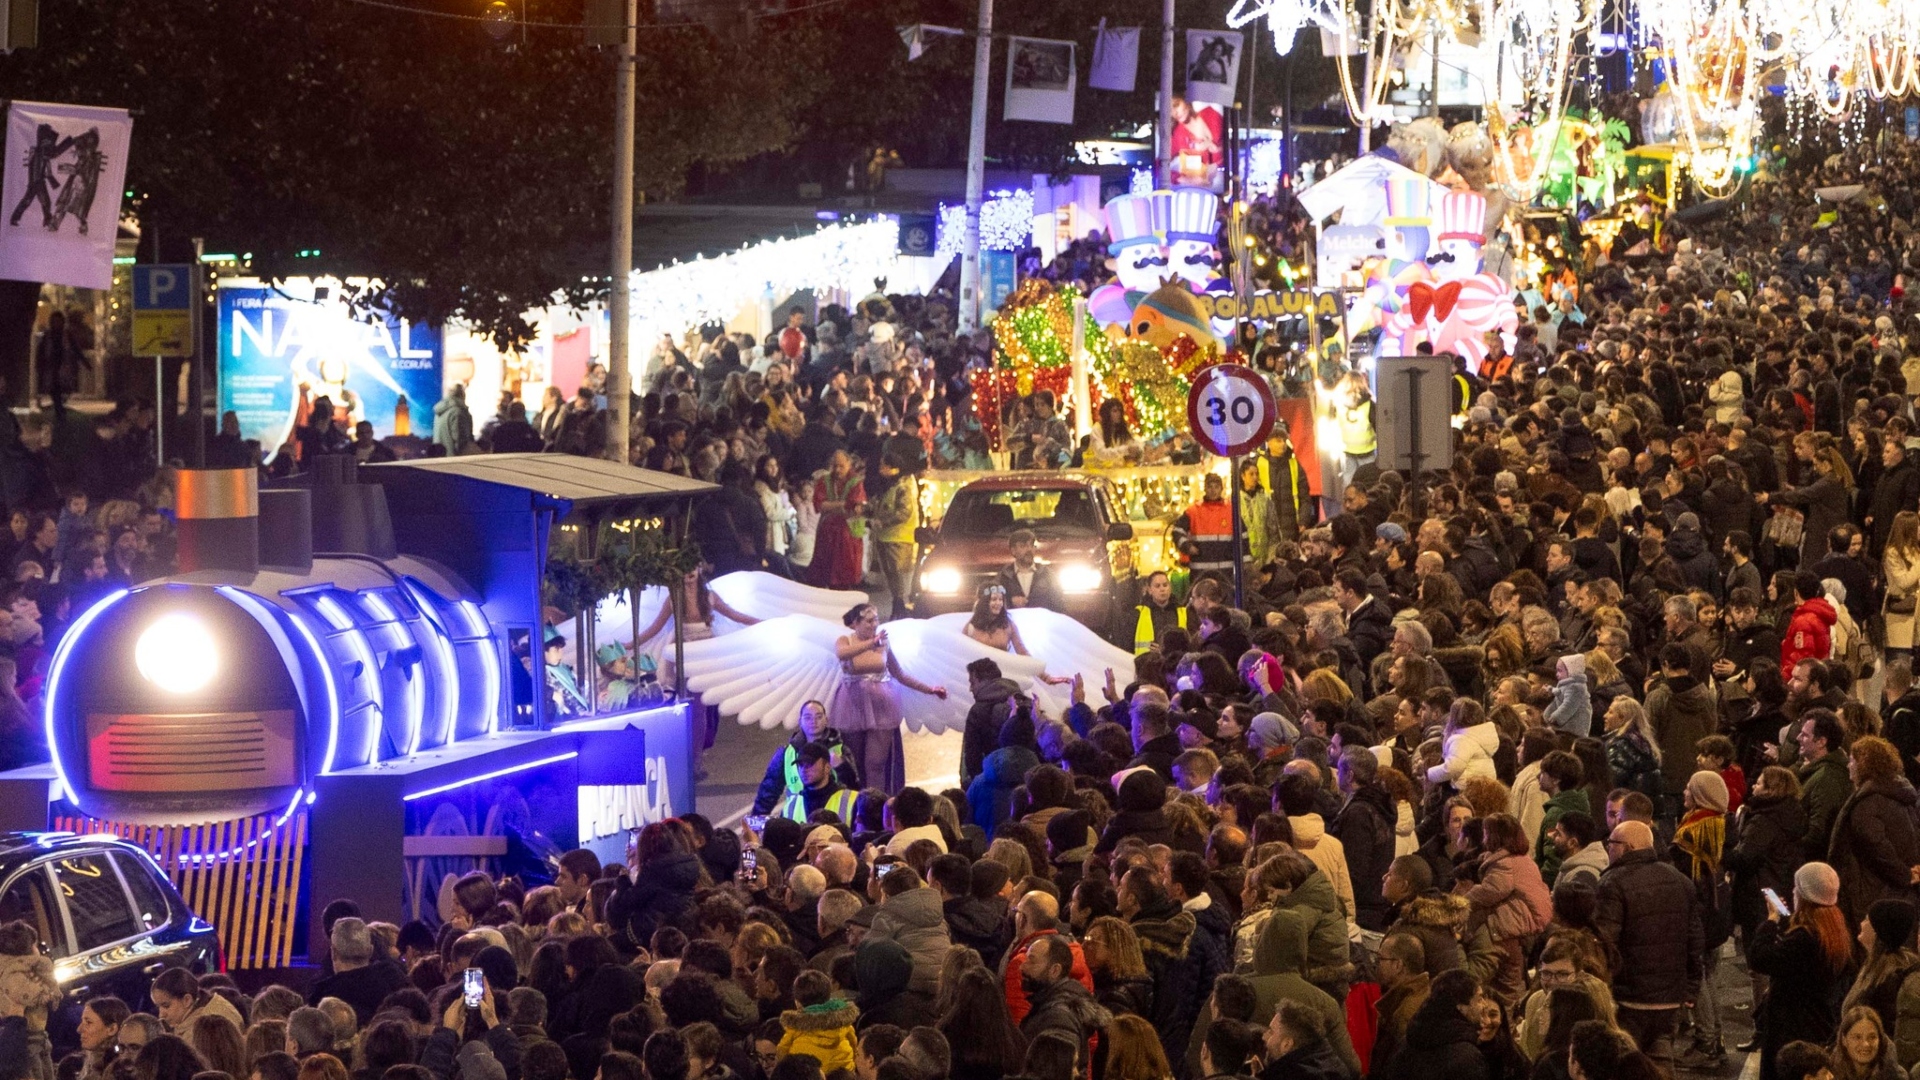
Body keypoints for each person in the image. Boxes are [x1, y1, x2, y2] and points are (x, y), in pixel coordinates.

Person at [1593, 820, 1701, 1061]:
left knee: (1626, 1062)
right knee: (1661, 1062)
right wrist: (1691, 989)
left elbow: (1605, 943)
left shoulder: (1612, 883)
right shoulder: (1680, 880)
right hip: (1671, 998)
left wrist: (1604, 989)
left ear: (1627, 847)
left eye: (1611, 843)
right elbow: (1695, 940)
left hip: (1629, 998)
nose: (1608, 848)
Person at [1748, 862, 1855, 1080]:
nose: (1794, 892)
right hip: (1820, 1024)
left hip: (1790, 1033)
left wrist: (1771, 920)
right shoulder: (1835, 932)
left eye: (1797, 888)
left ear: (1805, 896)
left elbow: (1759, 958)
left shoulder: (1804, 938)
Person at [832, 603, 946, 793]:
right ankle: (858, 801)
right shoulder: (845, 640)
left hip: (882, 707)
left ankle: (876, 802)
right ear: (855, 623)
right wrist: (871, 643)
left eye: (876, 620)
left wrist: (929, 689)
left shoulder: (883, 643)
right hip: (852, 707)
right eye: (869, 621)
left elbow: (899, 674)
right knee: (856, 763)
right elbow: (841, 654)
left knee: (875, 763)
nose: (874, 624)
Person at [752, 700, 861, 817]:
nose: (813, 721)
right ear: (800, 721)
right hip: (799, 818)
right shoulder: (786, 754)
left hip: (835, 818)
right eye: (808, 717)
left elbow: (854, 788)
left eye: (818, 717)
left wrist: (842, 767)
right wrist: (756, 818)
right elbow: (768, 791)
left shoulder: (841, 751)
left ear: (826, 720)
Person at [807, 451, 865, 590]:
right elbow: (820, 505)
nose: (838, 470)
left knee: (844, 574)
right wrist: (843, 504)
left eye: (841, 466)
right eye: (835, 466)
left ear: (849, 464)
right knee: (823, 572)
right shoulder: (824, 480)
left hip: (847, 534)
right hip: (827, 532)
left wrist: (832, 506)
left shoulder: (856, 482)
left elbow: (855, 506)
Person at [994, 530, 1063, 612]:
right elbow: (991, 600)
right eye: (1023, 546)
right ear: (1013, 551)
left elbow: (1059, 602)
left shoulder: (1047, 574)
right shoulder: (1004, 576)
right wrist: (1009, 602)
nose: (1029, 549)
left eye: (1031, 545)